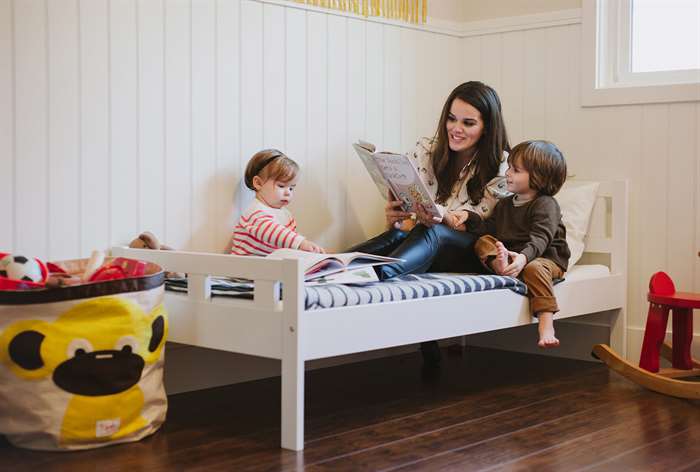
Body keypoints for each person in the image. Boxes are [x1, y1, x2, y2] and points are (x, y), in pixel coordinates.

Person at [347, 81, 511, 366]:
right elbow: (412, 220)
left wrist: (442, 216)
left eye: (468, 122)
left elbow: (481, 225)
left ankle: (379, 273)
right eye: (451, 118)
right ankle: (338, 264)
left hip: (469, 249)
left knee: (433, 230)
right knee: (405, 234)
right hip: (424, 239)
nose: (455, 128)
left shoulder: (502, 168)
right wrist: (396, 218)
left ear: (487, 127)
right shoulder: (427, 150)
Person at [465, 140, 570, 349]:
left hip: (545, 258)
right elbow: (489, 229)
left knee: (533, 268)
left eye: (516, 170)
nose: (508, 173)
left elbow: (541, 238)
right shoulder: (505, 203)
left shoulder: (546, 204)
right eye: (509, 167)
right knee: (483, 242)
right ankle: (502, 267)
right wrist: (467, 218)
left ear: (538, 176)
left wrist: (523, 258)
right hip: (514, 255)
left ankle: (546, 323)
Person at [231, 149, 325, 256]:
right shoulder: (255, 212)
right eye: (281, 186)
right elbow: (274, 232)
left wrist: (304, 252)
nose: (288, 193)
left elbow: (287, 240)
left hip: (271, 268)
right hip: (245, 269)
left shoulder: (286, 214)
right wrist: (301, 243)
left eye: (291, 188)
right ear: (258, 183)